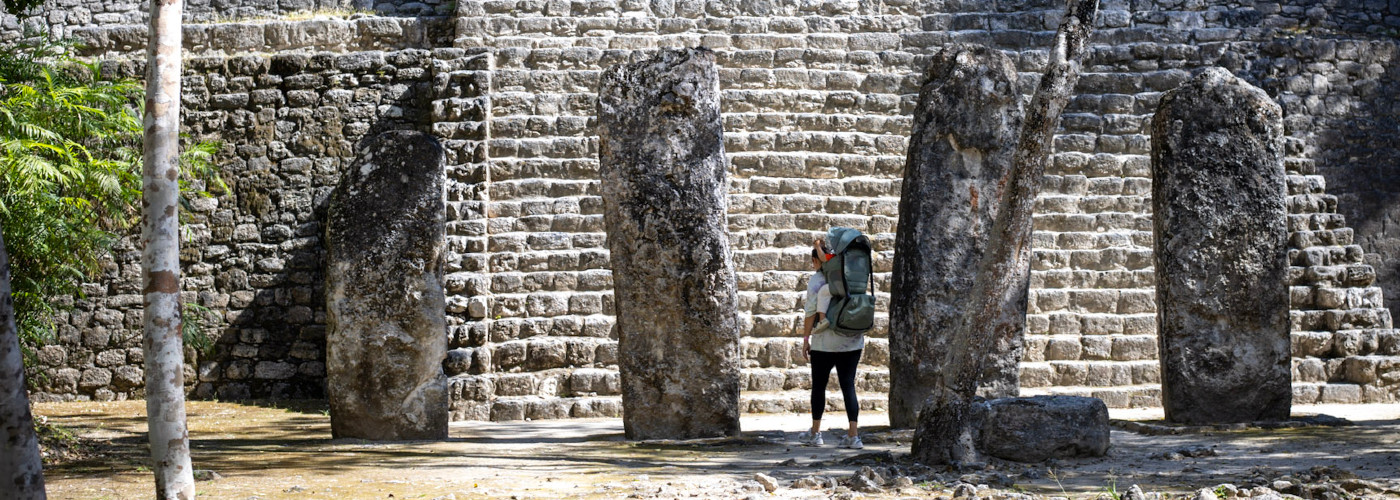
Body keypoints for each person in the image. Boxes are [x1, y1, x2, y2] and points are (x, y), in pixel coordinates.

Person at [796, 238, 865, 449]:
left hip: (823, 344)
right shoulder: (852, 278)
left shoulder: (817, 281)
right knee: (848, 386)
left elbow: (809, 314)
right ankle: (853, 436)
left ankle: (815, 433)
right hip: (851, 342)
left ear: (817, 261)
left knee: (819, 386)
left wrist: (806, 339)